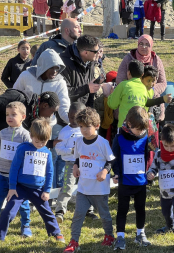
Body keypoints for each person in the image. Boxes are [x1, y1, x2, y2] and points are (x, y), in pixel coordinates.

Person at [0, 118, 65, 250]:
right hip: (20, 188)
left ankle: (56, 233)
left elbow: (50, 173)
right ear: (31, 136)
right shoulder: (22, 148)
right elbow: (14, 168)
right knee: (8, 212)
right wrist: (12, 187)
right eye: (37, 141)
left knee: (47, 212)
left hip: (38, 189)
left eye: (44, 141)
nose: (40, 144)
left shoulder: (47, 152)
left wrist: (46, 190)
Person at [63, 108, 115, 252]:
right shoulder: (79, 141)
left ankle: (109, 236)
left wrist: (105, 171)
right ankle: (74, 241)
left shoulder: (102, 143)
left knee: (104, 215)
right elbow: (78, 158)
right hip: (83, 188)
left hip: (99, 189)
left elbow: (111, 161)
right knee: (78, 214)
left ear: (96, 126)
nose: (84, 130)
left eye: (87, 126)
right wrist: (75, 167)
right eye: (81, 127)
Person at [110, 107, 152, 249]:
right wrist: (116, 173)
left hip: (140, 182)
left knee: (140, 208)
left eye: (142, 129)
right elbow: (114, 157)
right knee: (123, 209)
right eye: (138, 129)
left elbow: (148, 156)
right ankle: (120, 236)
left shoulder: (146, 137)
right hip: (125, 182)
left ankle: (140, 234)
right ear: (129, 124)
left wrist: (150, 172)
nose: (140, 132)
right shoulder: (119, 138)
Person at [147, 124, 174, 253]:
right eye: (166, 146)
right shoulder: (159, 154)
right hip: (165, 191)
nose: (170, 149)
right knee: (166, 212)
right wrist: (151, 173)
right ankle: (169, 225)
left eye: (173, 146)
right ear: (162, 143)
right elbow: (154, 167)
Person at [0, 102, 32, 238]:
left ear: (23, 117)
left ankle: (25, 225)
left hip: (18, 178)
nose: (10, 117)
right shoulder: (1, 134)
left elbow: (28, 157)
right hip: (1, 175)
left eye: (14, 114)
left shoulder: (26, 136)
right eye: (7, 114)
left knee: (23, 203)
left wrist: (26, 177)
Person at [13, 49, 70, 127]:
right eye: (51, 68)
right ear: (43, 66)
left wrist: (74, 122)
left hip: (48, 125)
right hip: (25, 122)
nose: (55, 71)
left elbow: (64, 107)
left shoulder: (60, 82)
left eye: (57, 68)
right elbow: (14, 96)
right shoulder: (26, 75)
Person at [117, 35, 167, 121]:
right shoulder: (128, 59)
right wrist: (134, 89)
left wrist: (150, 90)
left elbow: (162, 82)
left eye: (147, 44)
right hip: (131, 95)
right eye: (141, 44)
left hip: (151, 96)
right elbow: (120, 79)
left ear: (151, 46)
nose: (144, 47)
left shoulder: (156, 60)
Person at [54, 102, 87, 223]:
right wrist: (71, 151)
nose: (73, 120)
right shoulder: (64, 131)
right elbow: (58, 149)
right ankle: (60, 211)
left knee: (87, 185)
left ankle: (90, 209)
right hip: (70, 164)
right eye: (71, 117)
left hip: (86, 164)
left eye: (76, 117)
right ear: (68, 115)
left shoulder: (87, 130)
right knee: (67, 186)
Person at [60, 35, 101, 106]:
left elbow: (90, 91)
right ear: (85, 53)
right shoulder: (64, 64)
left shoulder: (90, 61)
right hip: (68, 112)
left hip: (84, 111)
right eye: (96, 51)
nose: (98, 53)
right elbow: (63, 93)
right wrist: (86, 88)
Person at [108, 60, 147, 128]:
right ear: (142, 75)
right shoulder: (144, 88)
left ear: (128, 73)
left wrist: (111, 94)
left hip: (124, 127)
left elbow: (112, 105)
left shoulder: (123, 85)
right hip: (139, 128)